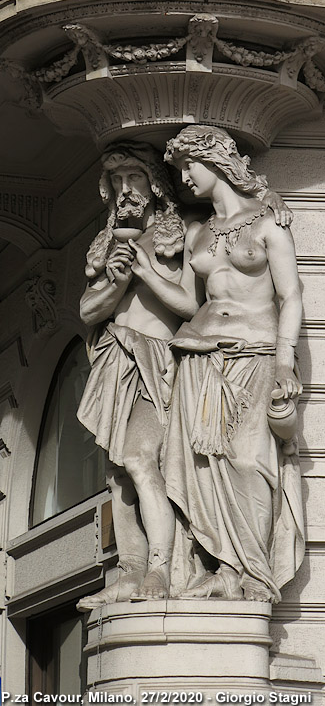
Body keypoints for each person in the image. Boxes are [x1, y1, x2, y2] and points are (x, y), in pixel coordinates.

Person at [161, 124, 306, 603]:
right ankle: (225, 568)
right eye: (179, 169)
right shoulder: (199, 234)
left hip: (256, 353)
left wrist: (286, 360)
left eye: (190, 166)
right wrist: (141, 272)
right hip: (201, 356)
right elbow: (187, 300)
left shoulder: (268, 221)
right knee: (206, 466)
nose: (184, 178)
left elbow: (290, 295)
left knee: (248, 460)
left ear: (217, 162)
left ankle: (256, 574)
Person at [76, 142, 197, 610]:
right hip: (113, 360)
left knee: (142, 459)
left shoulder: (181, 231)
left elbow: (190, 305)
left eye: (134, 179)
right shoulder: (107, 243)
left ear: (155, 185)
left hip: (158, 363)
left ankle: (162, 568)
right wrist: (117, 280)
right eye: (117, 182)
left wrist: (146, 273)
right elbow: (88, 310)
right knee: (117, 474)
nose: (125, 190)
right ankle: (129, 568)